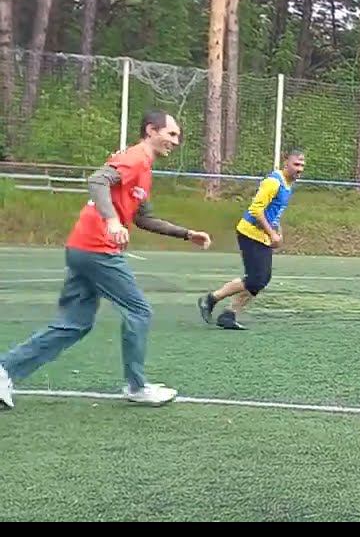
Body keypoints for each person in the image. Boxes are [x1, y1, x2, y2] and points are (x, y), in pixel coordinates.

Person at [0, 110, 212, 411]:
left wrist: (186, 233)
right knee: (139, 311)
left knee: (74, 323)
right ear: (151, 131)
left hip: (82, 247)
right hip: (98, 248)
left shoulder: (144, 169)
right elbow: (98, 180)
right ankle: (137, 387)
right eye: (171, 134)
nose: (176, 141)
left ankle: (5, 370)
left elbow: (144, 217)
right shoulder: (135, 158)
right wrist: (112, 221)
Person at [198, 149, 305, 330]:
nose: (299, 169)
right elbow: (256, 210)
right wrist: (272, 234)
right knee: (256, 279)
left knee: (262, 279)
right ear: (285, 163)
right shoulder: (273, 182)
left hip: (263, 236)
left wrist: (278, 233)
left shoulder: (288, 185)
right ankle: (211, 299)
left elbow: (274, 213)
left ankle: (229, 315)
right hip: (250, 233)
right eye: (296, 164)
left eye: (302, 165)